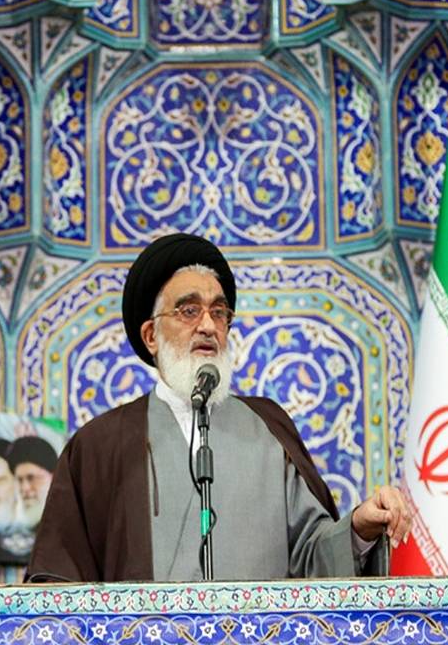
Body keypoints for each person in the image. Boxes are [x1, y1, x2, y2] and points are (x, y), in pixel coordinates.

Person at [26, 233, 410, 583]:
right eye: (189, 311)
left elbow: (313, 560)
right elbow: (58, 585)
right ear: (151, 336)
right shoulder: (99, 446)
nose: (208, 325)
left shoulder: (268, 427)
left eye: (219, 312)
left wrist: (358, 529)